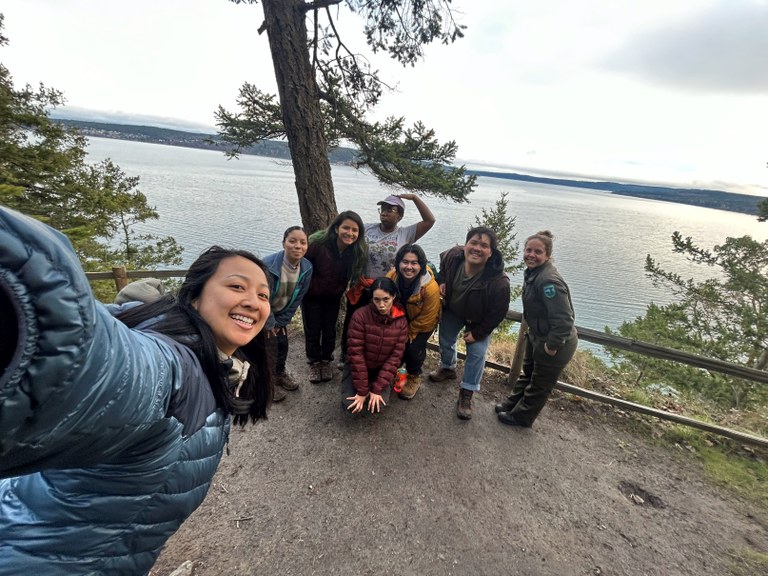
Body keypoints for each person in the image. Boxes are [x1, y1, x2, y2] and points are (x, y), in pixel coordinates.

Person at [0, 207, 272, 574]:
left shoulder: (220, 368)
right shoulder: (178, 370)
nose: (254, 302)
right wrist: (31, 291)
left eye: (263, 295)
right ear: (193, 297)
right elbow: (110, 370)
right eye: (236, 286)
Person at [339, 193, 436, 366]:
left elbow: (429, 221)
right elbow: (346, 233)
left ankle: (372, 357)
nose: (385, 212)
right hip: (362, 285)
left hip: (386, 290)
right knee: (353, 319)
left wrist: (414, 198)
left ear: (399, 215)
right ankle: (346, 353)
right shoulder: (367, 229)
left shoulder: (406, 234)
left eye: (391, 210)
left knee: (378, 324)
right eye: (383, 208)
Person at [495, 231, 578, 427]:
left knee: (540, 384)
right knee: (529, 372)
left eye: (538, 252)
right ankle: (512, 404)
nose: (531, 255)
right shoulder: (534, 273)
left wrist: (552, 345)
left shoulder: (548, 281)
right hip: (537, 336)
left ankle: (521, 417)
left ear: (547, 255)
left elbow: (564, 318)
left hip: (554, 342)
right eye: (528, 250)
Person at [428, 226, 511, 420]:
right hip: (454, 310)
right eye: (473, 242)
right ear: (465, 245)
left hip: (479, 319)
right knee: (446, 339)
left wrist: (479, 333)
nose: (477, 248)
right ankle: (448, 368)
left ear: (491, 252)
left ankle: (467, 392)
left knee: (477, 353)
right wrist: (441, 280)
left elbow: (497, 313)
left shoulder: (499, 282)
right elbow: (442, 268)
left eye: (484, 245)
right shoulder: (453, 256)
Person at [301, 211, 367, 384]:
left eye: (355, 230)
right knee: (313, 330)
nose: (350, 233)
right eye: (346, 228)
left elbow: (356, 273)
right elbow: (301, 267)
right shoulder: (318, 244)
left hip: (334, 297)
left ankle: (326, 360)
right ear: (337, 228)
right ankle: (314, 362)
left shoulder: (355, 252)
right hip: (311, 296)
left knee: (330, 330)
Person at [342, 277, 408, 414]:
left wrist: (377, 389)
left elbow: (395, 358)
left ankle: (377, 386)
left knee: (378, 405)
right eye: (376, 300)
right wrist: (362, 390)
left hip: (380, 368)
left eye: (386, 299)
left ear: (393, 297)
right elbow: (355, 354)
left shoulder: (401, 322)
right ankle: (354, 384)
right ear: (371, 298)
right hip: (359, 365)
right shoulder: (360, 316)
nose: (381, 305)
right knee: (349, 404)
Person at [262, 226, 313, 402]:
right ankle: (266, 385)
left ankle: (279, 374)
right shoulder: (267, 265)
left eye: (302, 242)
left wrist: (281, 322)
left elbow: (298, 297)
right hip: (262, 313)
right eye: (292, 241)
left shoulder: (306, 268)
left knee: (282, 344)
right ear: (283, 243)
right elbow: (261, 298)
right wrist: (269, 324)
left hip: (280, 314)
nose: (298, 246)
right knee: (267, 348)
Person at [386, 243, 441, 400]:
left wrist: (409, 332)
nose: (409, 267)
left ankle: (414, 375)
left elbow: (428, 317)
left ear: (421, 265)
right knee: (389, 341)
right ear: (398, 263)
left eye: (414, 263)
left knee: (412, 348)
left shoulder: (430, 288)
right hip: (399, 317)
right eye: (405, 262)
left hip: (421, 323)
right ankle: (392, 369)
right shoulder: (392, 277)